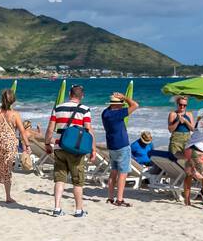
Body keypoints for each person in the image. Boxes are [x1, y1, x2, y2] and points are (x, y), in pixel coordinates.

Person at [45, 84, 97, 218]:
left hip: (59, 146)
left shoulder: (58, 107)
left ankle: (57, 208)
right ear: (82, 96)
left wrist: (47, 143)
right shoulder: (85, 110)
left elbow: (51, 128)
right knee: (77, 180)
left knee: (60, 179)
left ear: (70, 94)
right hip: (77, 149)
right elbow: (88, 130)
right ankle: (78, 210)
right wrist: (93, 149)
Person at [100, 91, 141, 206]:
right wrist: (124, 97)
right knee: (122, 174)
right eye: (121, 103)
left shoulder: (105, 113)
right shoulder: (118, 114)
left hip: (111, 146)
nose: (122, 105)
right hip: (122, 145)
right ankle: (119, 199)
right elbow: (135, 105)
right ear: (116, 105)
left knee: (113, 172)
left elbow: (112, 107)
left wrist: (116, 100)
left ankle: (110, 197)